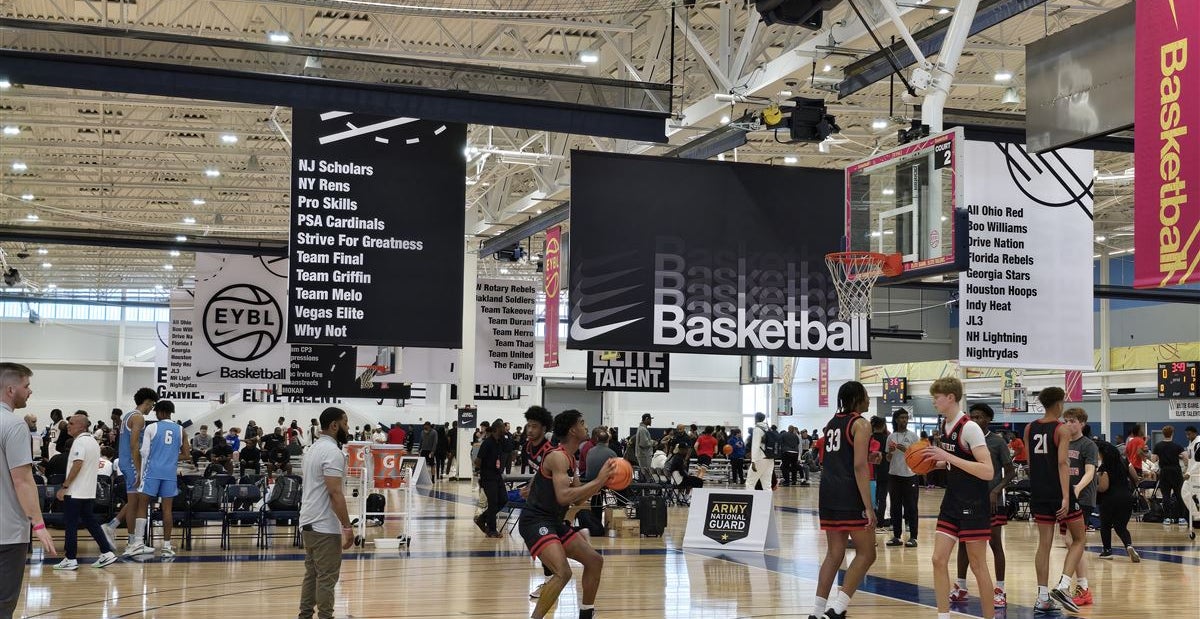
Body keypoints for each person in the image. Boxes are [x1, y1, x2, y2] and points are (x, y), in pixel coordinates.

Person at [519, 409, 614, 619]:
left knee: (595, 561)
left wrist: (603, 482)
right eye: (582, 422)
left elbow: (578, 499)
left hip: (553, 521)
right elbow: (563, 497)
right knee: (563, 573)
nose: (586, 426)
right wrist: (598, 480)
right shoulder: (557, 457)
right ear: (572, 430)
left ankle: (586, 614)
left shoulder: (571, 458)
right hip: (535, 521)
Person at [923, 378, 995, 619]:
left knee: (977, 565)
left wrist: (948, 457)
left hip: (973, 504)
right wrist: (933, 463)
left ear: (951, 397)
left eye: (936, 397)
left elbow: (987, 471)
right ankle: (943, 616)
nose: (934, 401)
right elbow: (956, 464)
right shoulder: (945, 425)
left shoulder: (970, 428)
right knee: (938, 559)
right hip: (952, 501)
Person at [810, 381, 876, 619]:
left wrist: (869, 457)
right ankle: (838, 609)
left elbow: (840, 457)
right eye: (866, 395)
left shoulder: (832, 423)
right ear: (857, 398)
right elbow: (858, 466)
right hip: (850, 494)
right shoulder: (861, 423)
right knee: (867, 553)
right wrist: (869, 507)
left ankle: (816, 612)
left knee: (834, 553)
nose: (868, 399)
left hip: (828, 492)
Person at [1, 363, 58, 619]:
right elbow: (23, 481)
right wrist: (39, 524)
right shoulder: (13, 425)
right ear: (11, 390)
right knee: (3, 605)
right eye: (26, 386)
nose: (30, 391)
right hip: (8, 534)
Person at [1025, 386, 1085, 613]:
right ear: (1059, 403)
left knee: (1044, 544)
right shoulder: (1062, 429)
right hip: (1059, 491)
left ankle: (1042, 597)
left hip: (1039, 491)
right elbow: (1062, 463)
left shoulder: (1029, 428)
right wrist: (1066, 496)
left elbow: (1030, 463)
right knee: (1079, 538)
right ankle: (1063, 585)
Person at [950, 403, 1015, 608]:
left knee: (995, 544)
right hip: (969, 499)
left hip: (992, 501)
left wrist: (996, 491)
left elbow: (1011, 472)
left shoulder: (997, 442)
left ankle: (1000, 590)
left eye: (979, 417)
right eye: (973, 417)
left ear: (988, 419)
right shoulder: (965, 438)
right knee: (964, 542)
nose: (975, 420)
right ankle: (961, 587)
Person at [296, 408, 353, 619]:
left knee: (311, 575)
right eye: (345, 423)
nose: (348, 427)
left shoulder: (311, 449)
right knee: (327, 579)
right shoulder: (332, 452)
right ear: (334, 425)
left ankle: (304, 616)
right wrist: (347, 526)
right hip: (323, 525)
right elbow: (334, 493)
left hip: (308, 521)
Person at [53, 413, 119, 570]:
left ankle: (70, 558)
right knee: (90, 521)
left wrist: (65, 486)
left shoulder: (80, 442)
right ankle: (106, 552)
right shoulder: (93, 442)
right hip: (88, 492)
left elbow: (77, 464)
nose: (68, 426)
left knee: (71, 524)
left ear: (82, 426)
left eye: (71, 423)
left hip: (75, 492)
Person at [104, 387, 158, 557]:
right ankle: (124, 536)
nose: (152, 408)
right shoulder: (138, 417)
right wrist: (139, 469)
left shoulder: (128, 415)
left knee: (133, 501)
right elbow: (134, 445)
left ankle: (127, 538)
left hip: (126, 462)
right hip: (132, 463)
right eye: (152, 404)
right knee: (137, 502)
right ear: (147, 402)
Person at [1058, 408, 1098, 606]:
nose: (1068, 424)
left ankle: (1082, 587)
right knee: (1070, 542)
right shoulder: (1062, 443)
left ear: (1082, 423)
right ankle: (1082, 587)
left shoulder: (1088, 445)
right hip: (1065, 497)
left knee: (1073, 540)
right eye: (1066, 421)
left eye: (1072, 421)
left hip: (1082, 498)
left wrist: (1078, 488)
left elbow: (1090, 472)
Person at [139, 400, 188, 557]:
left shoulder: (151, 427)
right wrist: (171, 457)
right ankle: (166, 546)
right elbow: (186, 455)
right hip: (169, 474)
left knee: (142, 506)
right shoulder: (181, 430)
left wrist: (140, 474)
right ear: (171, 412)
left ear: (159, 412)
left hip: (152, 472)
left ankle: (138, 543)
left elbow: (144, 452)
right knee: (167, 510)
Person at [520, 405, 556, 600]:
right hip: (538, 503)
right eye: (529, 425)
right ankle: (551, 581)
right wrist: (530, 487)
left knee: (545, 544)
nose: (530, 430)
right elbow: (538, 473)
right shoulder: (527, 447)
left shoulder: (550, 451)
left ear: (544, 429)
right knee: (542, 544)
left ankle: (551, 583)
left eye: (534, 426)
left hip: (553, 504)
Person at [1095, 440, 1140, 562]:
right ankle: (1128, 545)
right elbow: (1136, 478)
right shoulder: (1125, 462)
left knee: (1105, 525)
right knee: (1121, 526)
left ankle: (1107, 551)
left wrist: (1094, 488)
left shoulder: (1104, 467)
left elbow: (1104, 487)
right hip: (1126, 497)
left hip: (1109, 499)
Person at [885, 408, 920, 548]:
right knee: (895, 507)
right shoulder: (891, 437)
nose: (904, 420)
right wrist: (890, 453)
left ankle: (913, 537)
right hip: (894, 475)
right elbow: (888, 458)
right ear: (896, 419)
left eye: (906, 417)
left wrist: (906, 450)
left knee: (911, 507)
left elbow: (918, 456)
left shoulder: (913, 436)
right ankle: (897, 536)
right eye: (901, 418)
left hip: (910, 475)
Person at [473, 418, 507, 538]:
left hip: (497, 475)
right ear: (497, 429)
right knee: (493, 502)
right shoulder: (487, 443)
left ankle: (482, 519)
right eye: (503, 427)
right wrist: (485, 469)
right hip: (488, 477)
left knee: (504, 499)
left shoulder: (499, 442)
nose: (505, 429)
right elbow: (477, 461)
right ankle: (492, 530)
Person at [1151, 425, 1188, 525]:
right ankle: (1181, 518)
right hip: (1176, 471)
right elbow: (1186, 457)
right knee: (1179, 495)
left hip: (1164, 471)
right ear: (1172, 434)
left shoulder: (1158, 446)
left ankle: (1167, 518)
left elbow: (1153, 459)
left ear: (1163, 434)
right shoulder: (1177, 446)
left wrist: (1161, 458)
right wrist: (1185, 466)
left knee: (1166, 495)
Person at [869, 416, 889, 525]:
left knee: (872, 497)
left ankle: (871, 519)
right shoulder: (887, 439)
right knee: (882, 497)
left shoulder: (868, 438)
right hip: (884, 471)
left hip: (871, 472)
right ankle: (880, 520)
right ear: (883, 426)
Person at [746, 412, 774, 491]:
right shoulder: (768, 428)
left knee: (750, 483)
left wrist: (753, 461)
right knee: (767, 485)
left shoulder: (757, 429)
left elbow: (755, 445)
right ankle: (768, 499)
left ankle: (750, 499)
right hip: (770, 458)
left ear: (756, 419)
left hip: (760, 458)